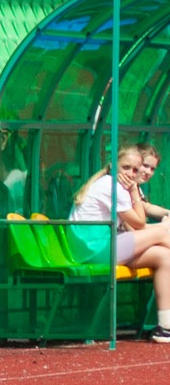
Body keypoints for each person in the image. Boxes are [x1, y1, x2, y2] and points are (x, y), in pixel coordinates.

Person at [69, 143, 170, 341]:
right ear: (113, 165)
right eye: (126, 167)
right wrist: (134, 192)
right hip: (95, 250)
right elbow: (139, 224)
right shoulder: (112, 185)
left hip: (101, 247)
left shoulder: (116, 185)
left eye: (135, 170)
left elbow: (138, 223)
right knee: (162, 232)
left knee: (164, 256)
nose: (131, 174)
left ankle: (165, 328)